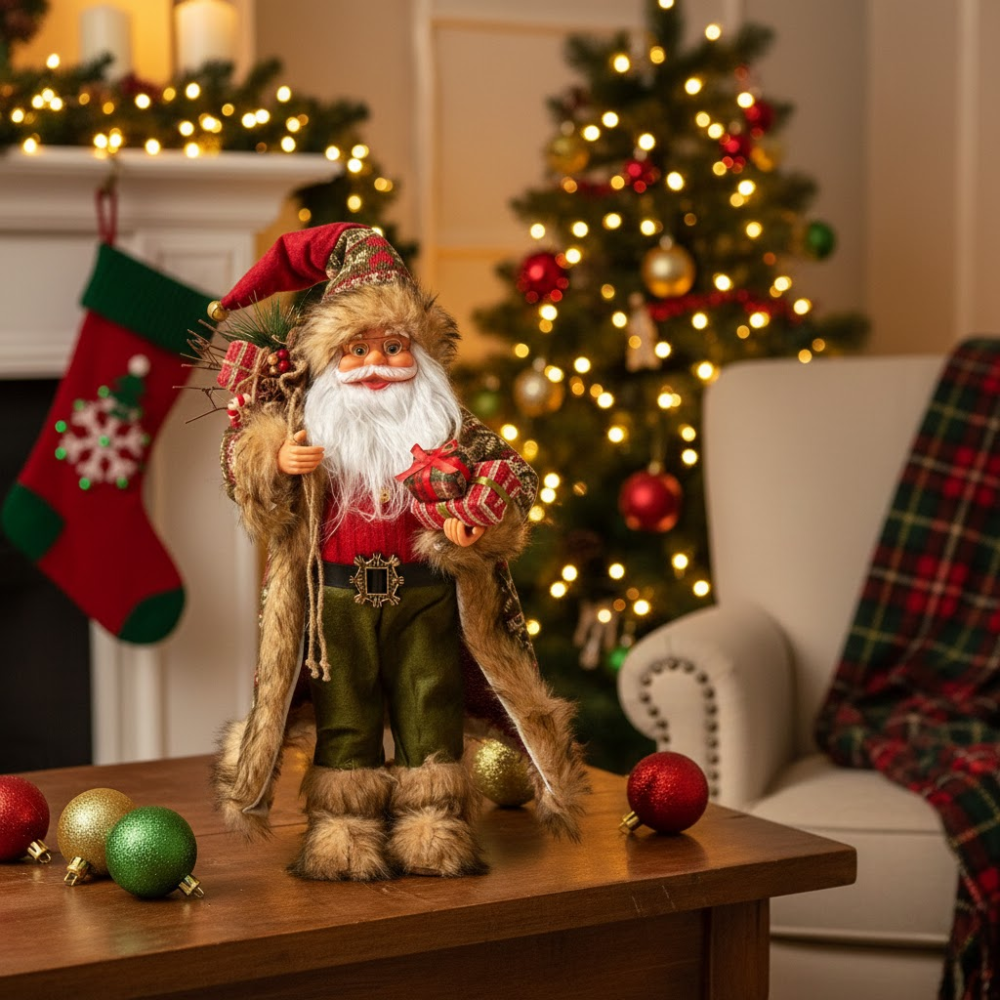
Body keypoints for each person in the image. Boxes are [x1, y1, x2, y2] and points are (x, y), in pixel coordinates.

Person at [209, 223, 587, 880]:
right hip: (335, 601)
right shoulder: (305, 424)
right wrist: (273, 458)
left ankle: (433, 823)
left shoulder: (450, 431)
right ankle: (342, 827)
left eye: (393, 347)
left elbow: (509, 481)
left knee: (429, 704)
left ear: (423, 356)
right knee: (345, 709)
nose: (377, 364)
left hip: (426, 595)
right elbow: (246, 480)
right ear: (327, 362)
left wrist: (477, 523)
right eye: (354, 350)